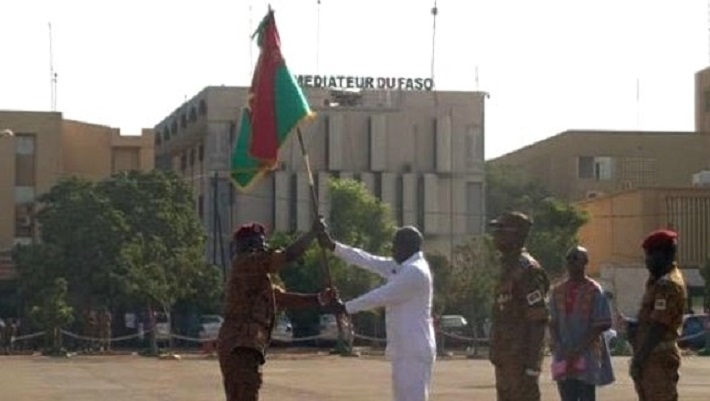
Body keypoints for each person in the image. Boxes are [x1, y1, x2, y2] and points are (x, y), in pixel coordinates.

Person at [217, 221, 337, 401]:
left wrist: (319, 298)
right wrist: (312, 234)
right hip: (240, 346)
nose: (263, 247)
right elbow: (287, 256)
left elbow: (280, 298)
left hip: (242, 346)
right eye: (259, 243)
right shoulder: (247, 263)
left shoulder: (255, 277)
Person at [318, 223, 436, 401]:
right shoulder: (402, 266)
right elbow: (367, 260)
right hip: (405, 349)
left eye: (395, 245)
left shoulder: (415, 271)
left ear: (407, 247)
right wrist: (333, 246)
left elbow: (381, 296)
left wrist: (346, 307)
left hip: (413, 351)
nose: (392, 249)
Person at [488, 211, 550, 401]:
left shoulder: (528, 271)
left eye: (501, 229)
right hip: (505, 362)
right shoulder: (507, 267)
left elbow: (538, 322)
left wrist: (532, 368)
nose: (496, 235)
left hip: (521, 363)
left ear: (516, 235)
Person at [549, 246, 615, 401]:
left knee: (586, 395)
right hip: (563, 353)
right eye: (569, 259)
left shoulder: (595, 290)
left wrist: (578, 350)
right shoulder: (557, 290)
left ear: (585, 262)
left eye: (575, 258)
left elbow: (600, 325)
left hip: (587, 354)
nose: (571, 262)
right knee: (567, 395)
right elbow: (552, 322)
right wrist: (559, 346)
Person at [629, 229, 686, 401]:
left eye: (649, 255)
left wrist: (639, 358)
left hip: (658, 357)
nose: (646, 260)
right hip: (651, 357)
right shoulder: (656, 281)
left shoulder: (667, 285)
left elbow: (659, 326)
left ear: (662, 254)